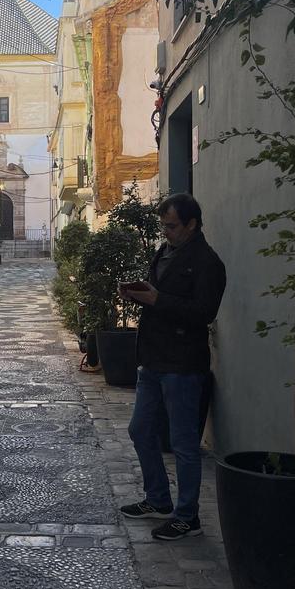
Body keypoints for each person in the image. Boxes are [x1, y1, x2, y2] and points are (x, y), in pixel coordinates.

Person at [119, 193, 226, 541]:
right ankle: (158, 499)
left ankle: (187, 516)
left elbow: (203, 313)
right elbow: (159, 294)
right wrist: (139, 293)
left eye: (172, 226)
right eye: (164, 225)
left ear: (192, 224)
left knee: (183, 443)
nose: (166, 232)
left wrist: (157, 299)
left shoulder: (208, 262)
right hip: (152, 358)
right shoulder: (164, 252)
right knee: (140, 430)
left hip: (182, 363)